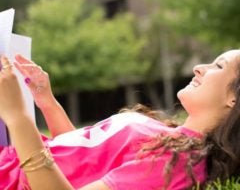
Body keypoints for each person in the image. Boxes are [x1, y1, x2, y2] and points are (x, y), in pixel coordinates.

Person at [0, 49, 239, 190]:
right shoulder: (173, 139)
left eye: (218, 65)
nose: (199, 67)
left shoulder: (179, 163)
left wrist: (18, 117)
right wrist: (47, 102)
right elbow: (83, 162)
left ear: (234, 99)